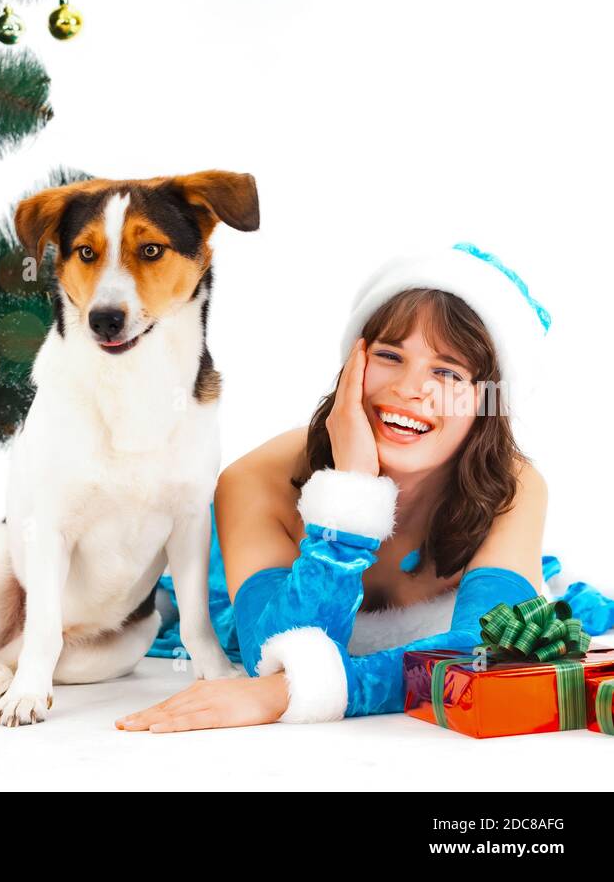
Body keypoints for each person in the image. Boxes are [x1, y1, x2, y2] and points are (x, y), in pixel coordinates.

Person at [116, 243, 614, 732]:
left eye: (446, 371)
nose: (409, 387)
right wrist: (350, 495)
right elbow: (274, 649)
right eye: (389, 355)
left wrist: (302, 693)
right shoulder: (254, 481)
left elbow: (485, 652)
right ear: (352, 364)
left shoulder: (513, 487)